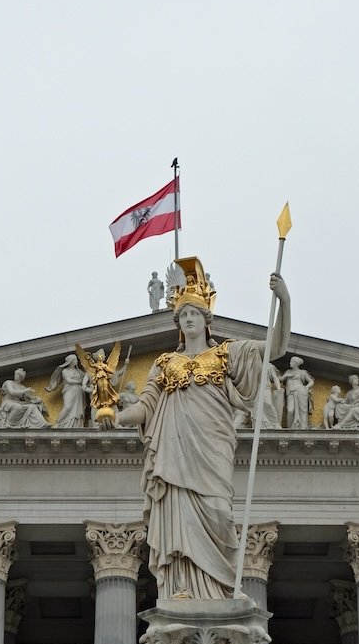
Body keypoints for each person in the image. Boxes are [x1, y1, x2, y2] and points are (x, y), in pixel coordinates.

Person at [115, 257, 291, 599]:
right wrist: (116, 416)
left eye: (195, 313)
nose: (189, 318)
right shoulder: (165, 364)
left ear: (206, 320)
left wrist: (284, 300)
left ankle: (224, 589)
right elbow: (145, 406)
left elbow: (277, 347)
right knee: (178, 514)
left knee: (218, 513)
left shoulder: (228, 355)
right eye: (183, 315)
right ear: (179, 323)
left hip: (212, 451)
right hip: (175, 454)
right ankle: (182, 588)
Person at [46, 355, 88, 428]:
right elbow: (69, 380)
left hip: (78, 391)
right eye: (75, 360)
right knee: (67, 407)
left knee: (78, 409)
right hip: (70, 390)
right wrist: (80, 382)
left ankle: (77, 425)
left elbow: (87, 376)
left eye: (76, 360)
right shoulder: (65, 371)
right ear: (70, 361)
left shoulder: (78, 371)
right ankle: (58, 423)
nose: (76, 361)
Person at [281, 357, 314, 429]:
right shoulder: (288, 372)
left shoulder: (302, 372)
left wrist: (306, 387)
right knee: (290, 410)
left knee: (302, 412)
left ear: (296, 363)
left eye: (292, 362)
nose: (290, 363)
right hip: (290, 393)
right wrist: (286, 376)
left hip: (301, 392)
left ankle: (302, 427)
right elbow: (281, 379)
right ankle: (290, 428)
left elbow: (311, 381)